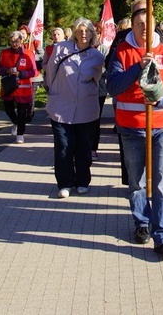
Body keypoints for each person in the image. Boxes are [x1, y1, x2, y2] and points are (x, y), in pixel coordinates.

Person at [107, 7, 163, 260]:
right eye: (139, 23)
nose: (144, 28)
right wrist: (135, 69)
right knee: (137, 182)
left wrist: (162, 99)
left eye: (148, 23)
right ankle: (141, 222)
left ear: (154, 26)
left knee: (162, 182)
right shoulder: (121, 52)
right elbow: (113, 86)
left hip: (162, 126)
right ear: (132, 25)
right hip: (131, 128)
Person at [45, 18, 103, 198]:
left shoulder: (96, 56)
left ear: (92, 34)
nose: (83, 33)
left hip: (86, 109)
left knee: (83, 147)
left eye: (87, 31)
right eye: (80, 30)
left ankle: (83, 181)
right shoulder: (61, 49)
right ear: (75, 33)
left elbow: (97, 79)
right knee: (63, 146)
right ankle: (65, 182)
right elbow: (50, 73)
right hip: (61, 106)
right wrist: (54, 91)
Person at [0, 30, 36, 143]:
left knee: (22, 112)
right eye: (12, 41)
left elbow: (33, 71)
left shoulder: (28, 54)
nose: (14, 44)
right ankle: (16, 122)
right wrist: (6, 70)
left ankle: (20, 134)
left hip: (23, 88)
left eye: (17, 41)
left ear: (22, 40)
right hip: (9, 87)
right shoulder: (4, 53)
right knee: (8, 109)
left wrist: (21, 73)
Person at [92, 20, 110, 160]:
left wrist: (98, 70)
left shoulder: (104, 49)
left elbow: (108, 68)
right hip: (84, 88)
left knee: (95, 119)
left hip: (100, 88)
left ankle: (93, 148)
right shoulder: (81, 49)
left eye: (97, 33)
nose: (95, 36)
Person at [19, 24, 44, 120]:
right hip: (22, 75)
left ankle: (30, 111)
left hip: (34, 75)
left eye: (23, 33)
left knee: (31, 95)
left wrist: (32, 58)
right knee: (22, 95)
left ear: (28, 34)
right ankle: (22, 112)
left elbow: (42, 55)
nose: (22, 35)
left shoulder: (34, 43)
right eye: (20, 33)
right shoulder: (18, 44)